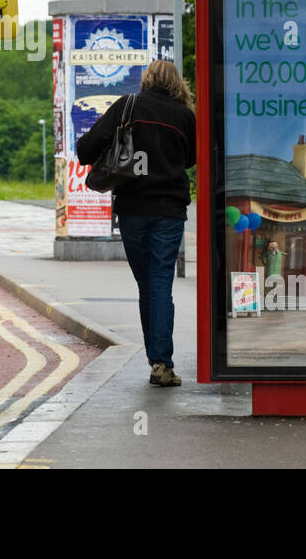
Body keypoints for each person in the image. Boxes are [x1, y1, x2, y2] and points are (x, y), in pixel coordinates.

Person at [76, 60, 196, 388]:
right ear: (178, 83)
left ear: (147, 79)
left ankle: (157, 358)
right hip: (169, 211)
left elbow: (85, 150)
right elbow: (191, 159)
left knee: (148, 286)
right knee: (159, 284)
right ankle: (161, 362)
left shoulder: (128, 105)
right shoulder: (185, 117)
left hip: (132, 210)